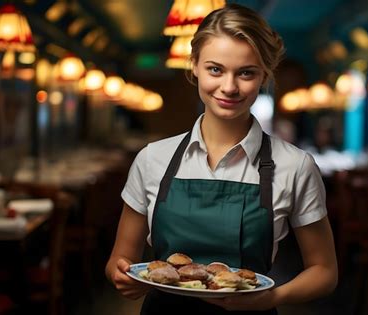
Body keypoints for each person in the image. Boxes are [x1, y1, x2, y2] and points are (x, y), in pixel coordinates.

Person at [105, 3, 337, 314]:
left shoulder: (295, 165)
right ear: (194, 67)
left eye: (246, 73)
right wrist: (123, 276)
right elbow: (119, 262)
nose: (229, 87)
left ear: (265, 75)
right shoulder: (152, 159)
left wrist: (273, 298)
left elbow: (324, 271)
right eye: (215, 69)